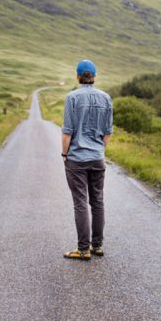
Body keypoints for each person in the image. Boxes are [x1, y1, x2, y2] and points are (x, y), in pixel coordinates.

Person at [61, 59, 113, 261]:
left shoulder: (71, 97)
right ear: (94, 76)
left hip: (76, 159)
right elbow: (107, 133)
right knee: (97, 201)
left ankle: (83, 249)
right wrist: (98, 149)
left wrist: (64, 154)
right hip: (97, 157)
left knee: (81, 202)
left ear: (77, 76)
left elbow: (67, 132)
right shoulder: (106, 98)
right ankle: (97, 246)